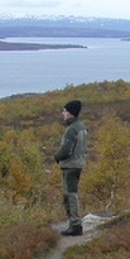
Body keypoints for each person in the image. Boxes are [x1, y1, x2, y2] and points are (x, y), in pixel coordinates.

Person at [53, 99, 88, 235]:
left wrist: (57, 156)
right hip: (78, 164)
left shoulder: (71, 129)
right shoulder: (82, 127)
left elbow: (66, 151)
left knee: (70, 196)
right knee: (71, 194)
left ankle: (75, 225)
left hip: (70, 166)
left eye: (65, 111)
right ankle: (74, 224)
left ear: (70, 113)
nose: (63, 113)